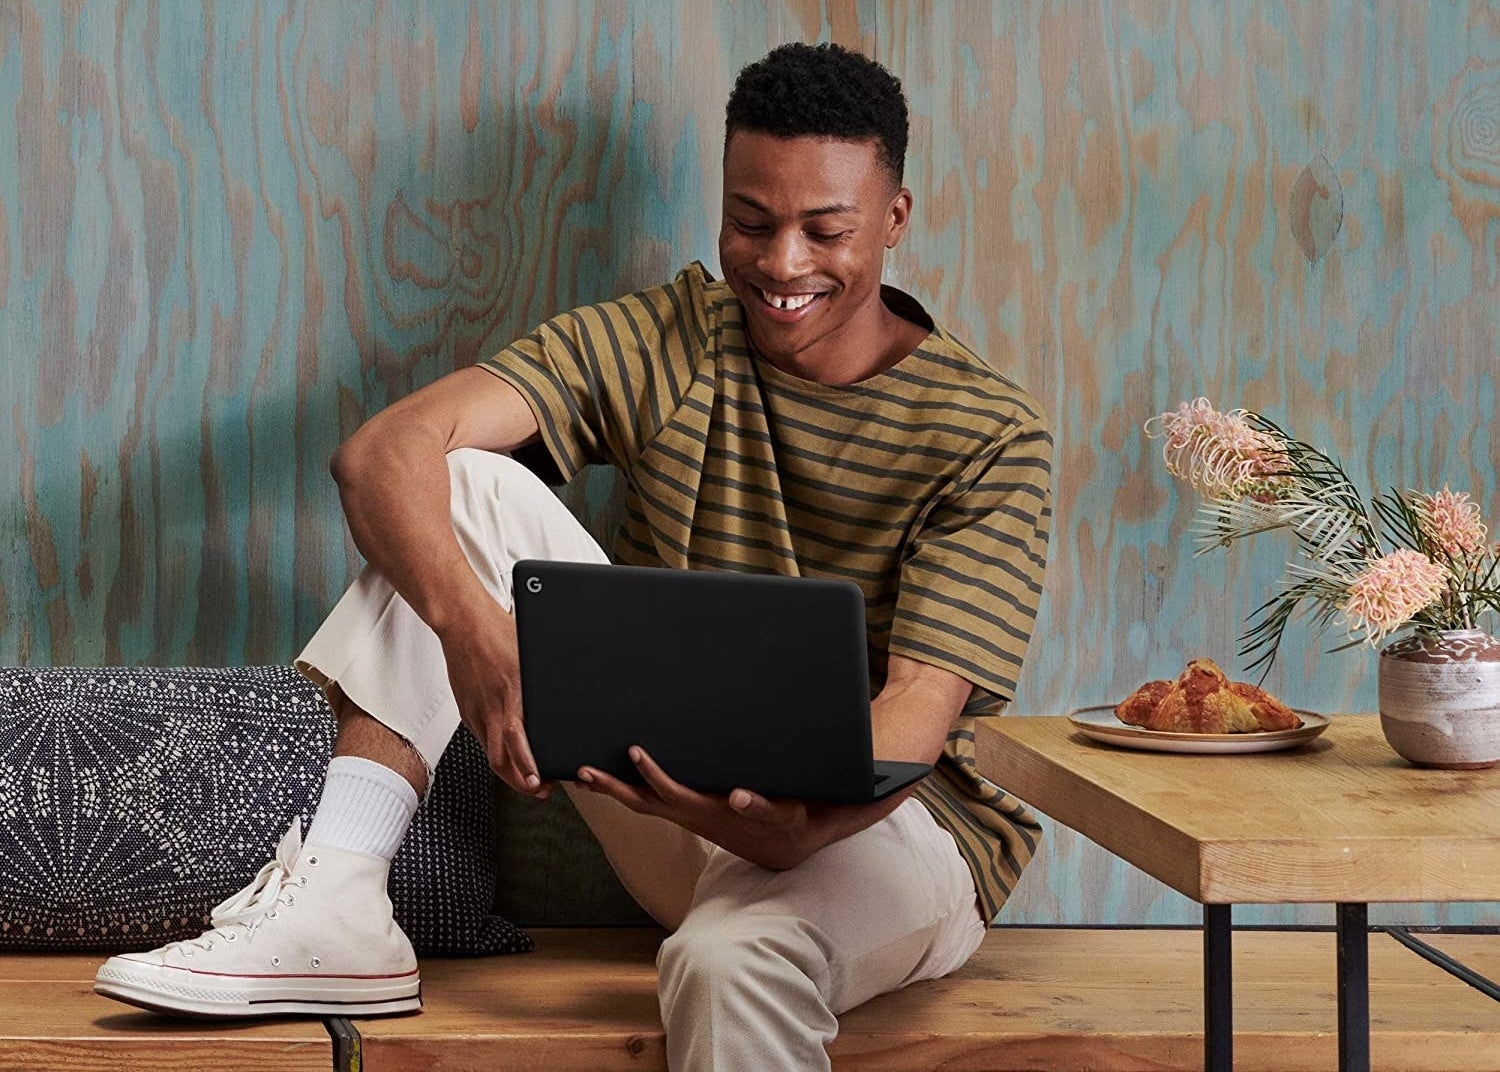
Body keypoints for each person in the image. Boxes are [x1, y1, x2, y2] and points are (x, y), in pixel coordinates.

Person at [94, 42, 1051, 1070]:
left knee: (728, 961)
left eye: (827, 229)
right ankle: (336, 902)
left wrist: (800, 829)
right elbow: (380, 456)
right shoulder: (671, 340)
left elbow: (913, 712)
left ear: (895, 219)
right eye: (750, 221)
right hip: (674, 796)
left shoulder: (986, 432)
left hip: (892, 839)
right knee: (462, 478)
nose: (781, 264)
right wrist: (473, 633)